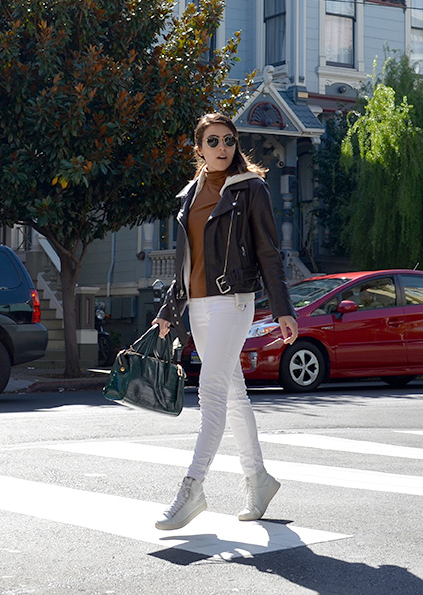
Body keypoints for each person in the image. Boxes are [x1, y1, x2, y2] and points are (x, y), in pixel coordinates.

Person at [153, 112, 298, 531]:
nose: (222, 148)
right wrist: (170, 308)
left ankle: (192, 487)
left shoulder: (250, 188)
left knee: (212, 394)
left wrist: (284, 307)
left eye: (229, 141)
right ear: (198, 148)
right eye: (213, 141)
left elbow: (268, 251)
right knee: (234, 396)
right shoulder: (190, 194)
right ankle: (259, 479)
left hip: (233, 301)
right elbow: (187, 261)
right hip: (197, 305)